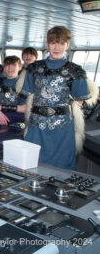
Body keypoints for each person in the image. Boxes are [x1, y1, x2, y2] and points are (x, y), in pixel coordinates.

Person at [22, 26, 98, 170]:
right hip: (37, 125)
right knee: (31, 163)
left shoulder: (75, 71)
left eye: (61, 43)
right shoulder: (33, 68)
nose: (57, 47)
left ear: (67, 45)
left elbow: (80, 100)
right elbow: (29, 94)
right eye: (53, 43)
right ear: (47, 44)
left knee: (62, 166)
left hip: (62, 128)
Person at [0, 56, 26, 126]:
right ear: (4, 68)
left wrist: (1, 107)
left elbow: (27, 108)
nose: (10, 68)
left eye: (13, 65)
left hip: (20, 122)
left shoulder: (25, 84)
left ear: (20, 67)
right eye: (7, 65)